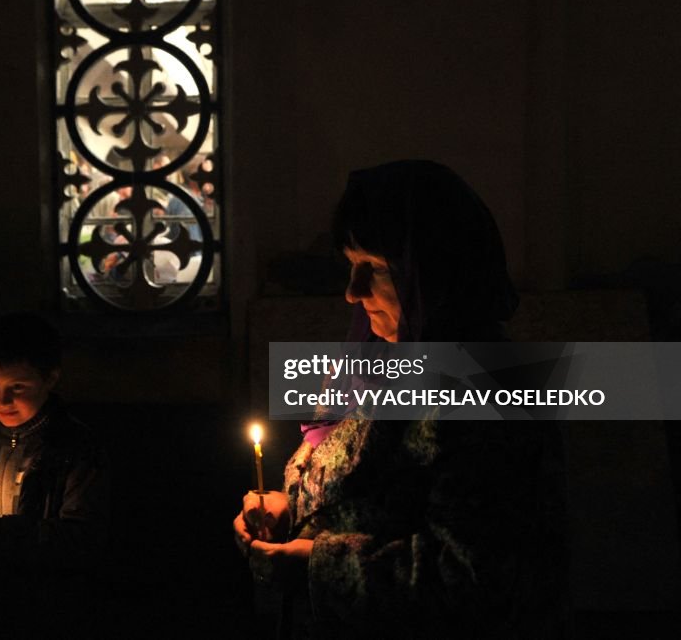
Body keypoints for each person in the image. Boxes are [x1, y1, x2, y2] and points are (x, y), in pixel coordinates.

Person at [233, 161, 567, 639]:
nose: (352, 293)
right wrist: (293, 505)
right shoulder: (382, 363)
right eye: (351, 265)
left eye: (376, 269)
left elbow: (472, 582)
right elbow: (369, 487)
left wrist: (317, 567)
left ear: (437, 272)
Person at [0, 313, 109, 639]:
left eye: (18, 387)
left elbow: (85, 538)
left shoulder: (75, 448)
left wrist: (0, 534)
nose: (2, 400)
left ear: (50, 379)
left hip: (47, 610)